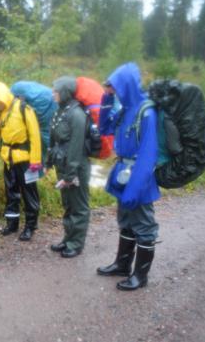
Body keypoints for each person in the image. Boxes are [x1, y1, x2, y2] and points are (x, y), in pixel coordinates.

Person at [96, 62, 160, 290]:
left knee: (144, 225)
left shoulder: (147, 111)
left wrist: (135, 187)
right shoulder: (125, 109)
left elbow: (148, 153)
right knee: (126, 221)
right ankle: (122, 265)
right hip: (123, 173)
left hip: (139, 178)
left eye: (113, 87)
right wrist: (105, 101)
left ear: (126, 86)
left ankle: (140, 276)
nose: (111, 90)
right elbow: (104, 129)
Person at [0, 81, 42, 241]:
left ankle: (30, 227)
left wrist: (35, 160)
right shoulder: (1, 113)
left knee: (29, 194)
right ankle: (12, 224)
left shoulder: (23, 108)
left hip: (25, 161)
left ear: (3, 97)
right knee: (11, 192)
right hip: (8, 159)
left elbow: (35, 136)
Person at [46, 76, 91, 258]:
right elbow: (53, 139)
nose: (53, 94)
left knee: (78, 206)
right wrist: (48, 162)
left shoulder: (77, 114)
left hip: (76, 168)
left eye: (55, 90)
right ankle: (68, 239)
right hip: (62, 164)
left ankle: (76, 243)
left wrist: (70, 174)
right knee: (68, 204)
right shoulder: (60, 111)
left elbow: (76, 147)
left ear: (64, 92)